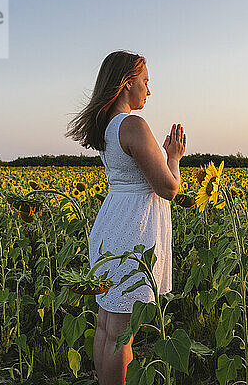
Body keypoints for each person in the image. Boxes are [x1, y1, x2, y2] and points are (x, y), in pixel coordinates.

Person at [65, 50, 186, 385]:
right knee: (122, 335)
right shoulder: (133, 125)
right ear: (127, 82)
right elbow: (168, 189)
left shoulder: (108, 127)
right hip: (135, 230)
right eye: (145, 82)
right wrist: (174, 156)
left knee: (106, 327)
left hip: (112, 225)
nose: (149, 89)